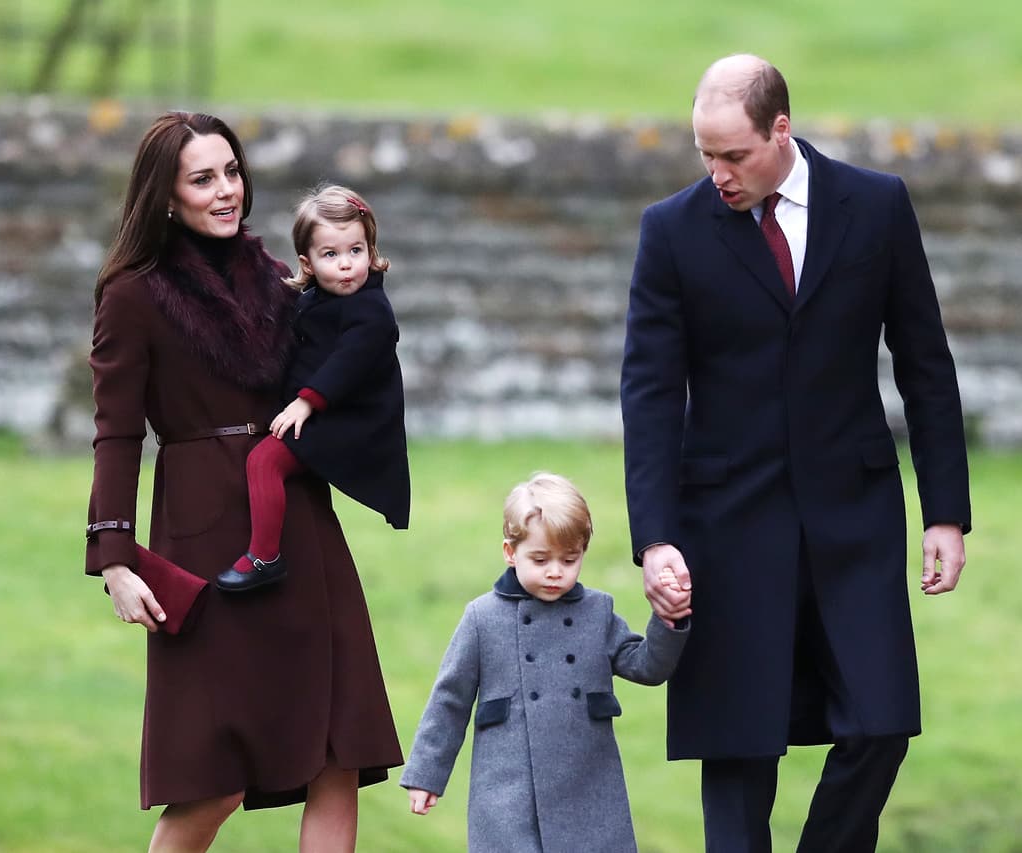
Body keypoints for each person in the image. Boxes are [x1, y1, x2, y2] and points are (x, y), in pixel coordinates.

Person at [620, 54, 972, 852]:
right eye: (705, 155)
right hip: (726, 523)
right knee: (739, 748)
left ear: (782, 129)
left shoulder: (876, 207)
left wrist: (946, 511)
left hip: (855, 517)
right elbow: (648, 393)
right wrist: (656, 535)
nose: (717, 173)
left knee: (881, 724)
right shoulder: (671, 230)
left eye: (733, 155)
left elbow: (924, 362)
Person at [85, 111, 402, 852]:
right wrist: (115, 559)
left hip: (299, 525)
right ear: (166, 197)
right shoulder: (133, 295)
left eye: (231, 171)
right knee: (213, 774)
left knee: (336, 753)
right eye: (203, 178)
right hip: (202, 539)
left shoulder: (280, 277)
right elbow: (116, 431)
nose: (226, 190)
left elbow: (356, 355)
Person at [399, 472, 690, 853]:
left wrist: (668, 621)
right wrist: (426, 776)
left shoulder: (597, 612)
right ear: (510, 552)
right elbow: (449, 701)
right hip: (507, 792)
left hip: (589, 787)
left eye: (569, 559)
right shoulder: (482, 617)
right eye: (540, 559)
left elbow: (647, 667)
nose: (555, 572)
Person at [214, 183, 410, 593]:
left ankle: (264, 557)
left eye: (356, 251)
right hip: (324, 413)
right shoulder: (314, 300)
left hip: (350, 422)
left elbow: (347, 363)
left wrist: (305, 403)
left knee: (264, 461)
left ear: (371, 252)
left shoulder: (371, 310)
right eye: (331, 255)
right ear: (307, 262)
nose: (345, 265)